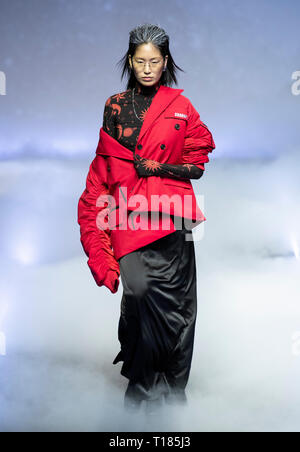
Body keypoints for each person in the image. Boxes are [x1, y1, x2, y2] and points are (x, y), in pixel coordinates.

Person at [77, 23, 215, 416]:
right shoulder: (115, 106)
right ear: (130, 62)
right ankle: (139, 395)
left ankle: (172, 399)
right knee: (137, 302)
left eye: (155, 61)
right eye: (140, 61)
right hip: (130, 220)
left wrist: (160, 168)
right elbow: (105, 168)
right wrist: (99, 242)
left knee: (180, 312)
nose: (148, 68)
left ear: (166, 61)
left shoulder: (182, 107)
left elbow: (198, 165)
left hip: (174, 223)